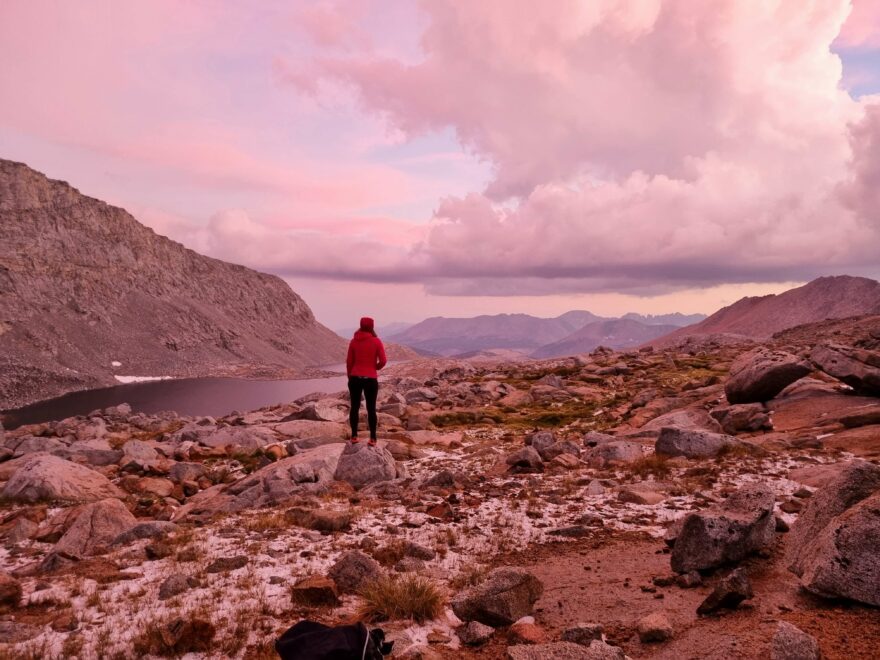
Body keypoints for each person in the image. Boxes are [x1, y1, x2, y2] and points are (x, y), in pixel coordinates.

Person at [346, 317, 387, 446]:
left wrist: (350, 376)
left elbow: (349, 362)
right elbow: (383, 361)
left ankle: (354, 436)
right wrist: (374, 368)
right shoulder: (376, 341)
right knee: (371, 409)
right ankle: (373, 438)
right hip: (370, 379)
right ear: (372, 327)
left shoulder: (353, 341)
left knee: (354, 407)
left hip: (355, 378)